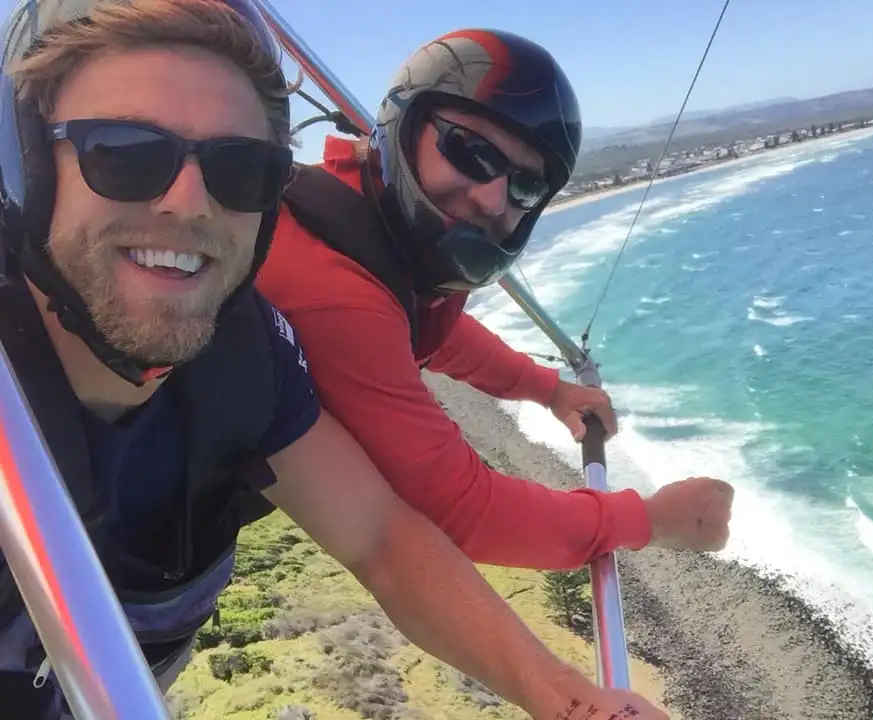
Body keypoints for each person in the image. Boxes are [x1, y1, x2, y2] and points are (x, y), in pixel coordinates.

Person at [0, 1, 670, 718]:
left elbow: (382, 536)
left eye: (240, 169)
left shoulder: (245, 349)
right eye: (125, 152)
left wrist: (572, 701)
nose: (187, 203)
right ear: (28, 167)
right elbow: (458, 505)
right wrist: (649, 517)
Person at [256, 29, 735, 569]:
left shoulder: (364, 226)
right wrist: (650, 519)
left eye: (526, 185)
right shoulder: (333, 291)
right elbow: (463, 509)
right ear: (404, 127)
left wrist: (548, 390)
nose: (491, 197)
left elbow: (428, 330)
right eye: (470, 151)